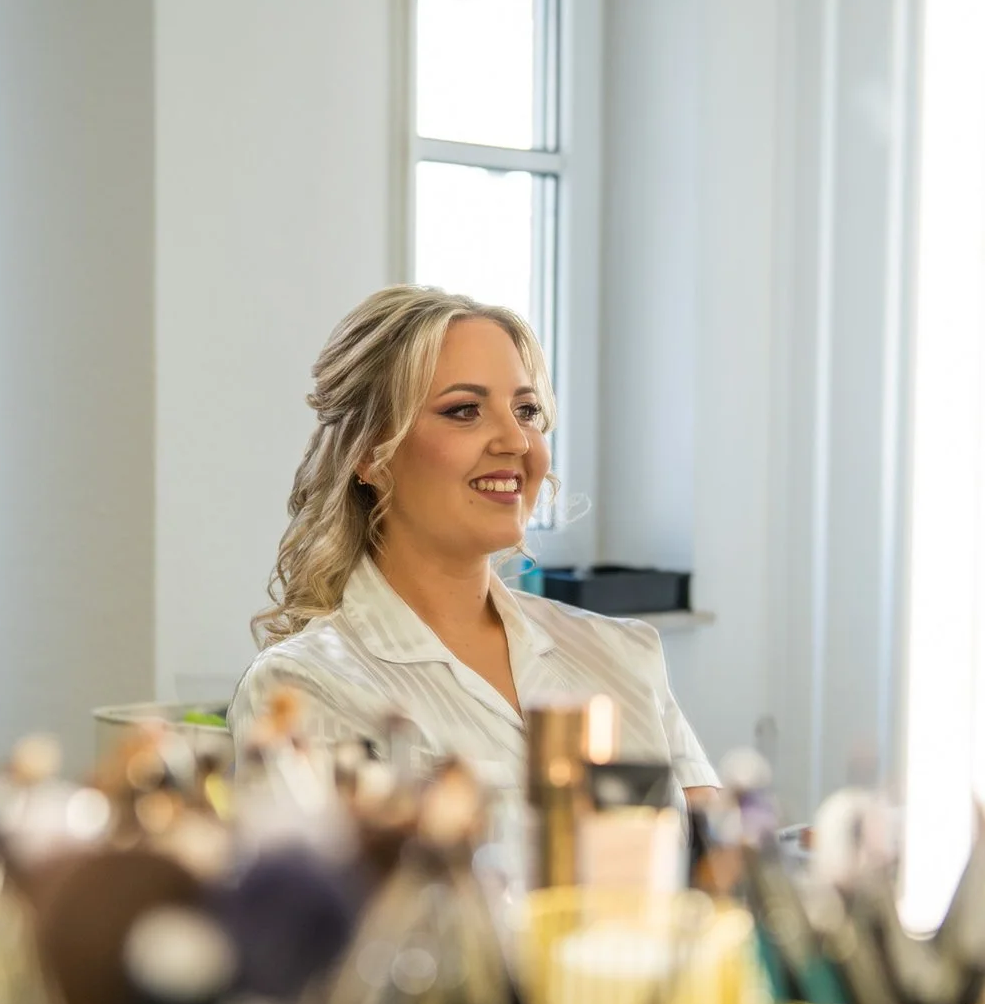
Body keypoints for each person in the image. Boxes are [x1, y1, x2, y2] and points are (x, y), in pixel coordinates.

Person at [231, 285, 715, 805]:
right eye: (465, 410)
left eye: (526, 410)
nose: (516, 440)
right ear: (369, 453)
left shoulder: (625, 653)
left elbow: (718, 846)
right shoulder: (305, 685)